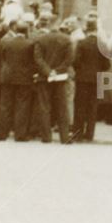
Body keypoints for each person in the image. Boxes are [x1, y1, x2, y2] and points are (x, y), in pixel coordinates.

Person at [0, 21, 43, 142]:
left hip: (7, 76)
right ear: (27, 31)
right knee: (22, 106)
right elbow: (34, 61)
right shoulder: (30, 44)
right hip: (24, 78)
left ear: (16, 30)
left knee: (5, 105)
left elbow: (3, 58)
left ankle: (2, 133)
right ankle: (20, 134)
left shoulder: (6, 42)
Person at [34, 15, 75, 144]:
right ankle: (65, 137)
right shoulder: (66, 39)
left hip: (44, 77)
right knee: (62, 107)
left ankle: (46, 136)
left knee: (44, 106)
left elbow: (38, 58)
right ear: (58, 24)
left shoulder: (40, 39)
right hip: (61, 77)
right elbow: (69, 59)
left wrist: (48, 71)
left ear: (47, 24)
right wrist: (57, 71)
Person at [73, 18, 109, 143]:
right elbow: (107, 65)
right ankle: (89, 134)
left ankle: (78, 133)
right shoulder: (102, 44)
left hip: (82, 78)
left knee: (80, 106)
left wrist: (80, 70)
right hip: (96, 79)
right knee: (93, 107)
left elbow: (75, 61)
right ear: (96, 30)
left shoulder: (81, 43)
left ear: (87, 29)